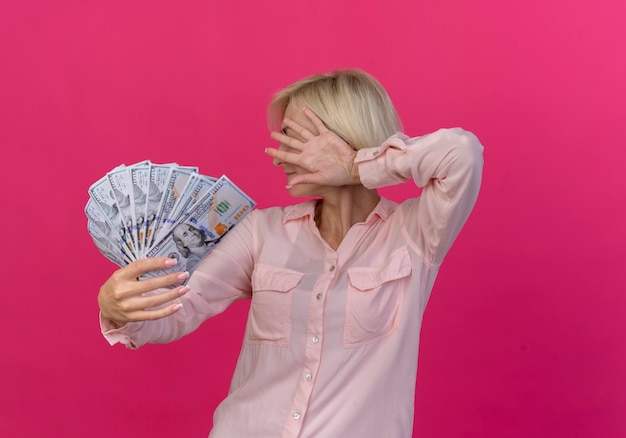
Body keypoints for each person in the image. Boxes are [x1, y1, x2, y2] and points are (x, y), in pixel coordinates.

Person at [98, 69, 484, 437]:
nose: (277, 157)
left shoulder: (414, 235)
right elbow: (179, 310)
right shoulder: (261, 233)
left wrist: (355, 166)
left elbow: (461, 154)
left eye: (292, 139)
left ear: (343, 134)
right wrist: (118, 311)